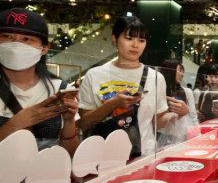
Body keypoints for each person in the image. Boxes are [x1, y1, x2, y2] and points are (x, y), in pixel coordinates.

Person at [78, 15, 178, 158]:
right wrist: (113, 104)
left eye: (141, 40)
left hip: (144, 155)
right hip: (102, 157)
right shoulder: (94, 75)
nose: (135, 45)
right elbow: (84, 123)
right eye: (129, 38)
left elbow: (157, 122)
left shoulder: (155, 77)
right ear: (115, 39)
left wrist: (177, 114)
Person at [0, 8, 79, 156]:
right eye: (7, 36)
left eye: (27, 39)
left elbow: (69, 157)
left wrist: (69, 121)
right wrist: (16, 123)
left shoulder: (60, 89)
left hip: (47, 177)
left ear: (44, 49)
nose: (16, 46)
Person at [157, 59, 198, 147]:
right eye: (179, 70)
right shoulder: (158, 92)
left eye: (183, 71)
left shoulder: (187, 92)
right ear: (169, 71)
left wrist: (196, 136)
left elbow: (193, 116)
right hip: (161, 139)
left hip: (183, 137)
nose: (182, 74)